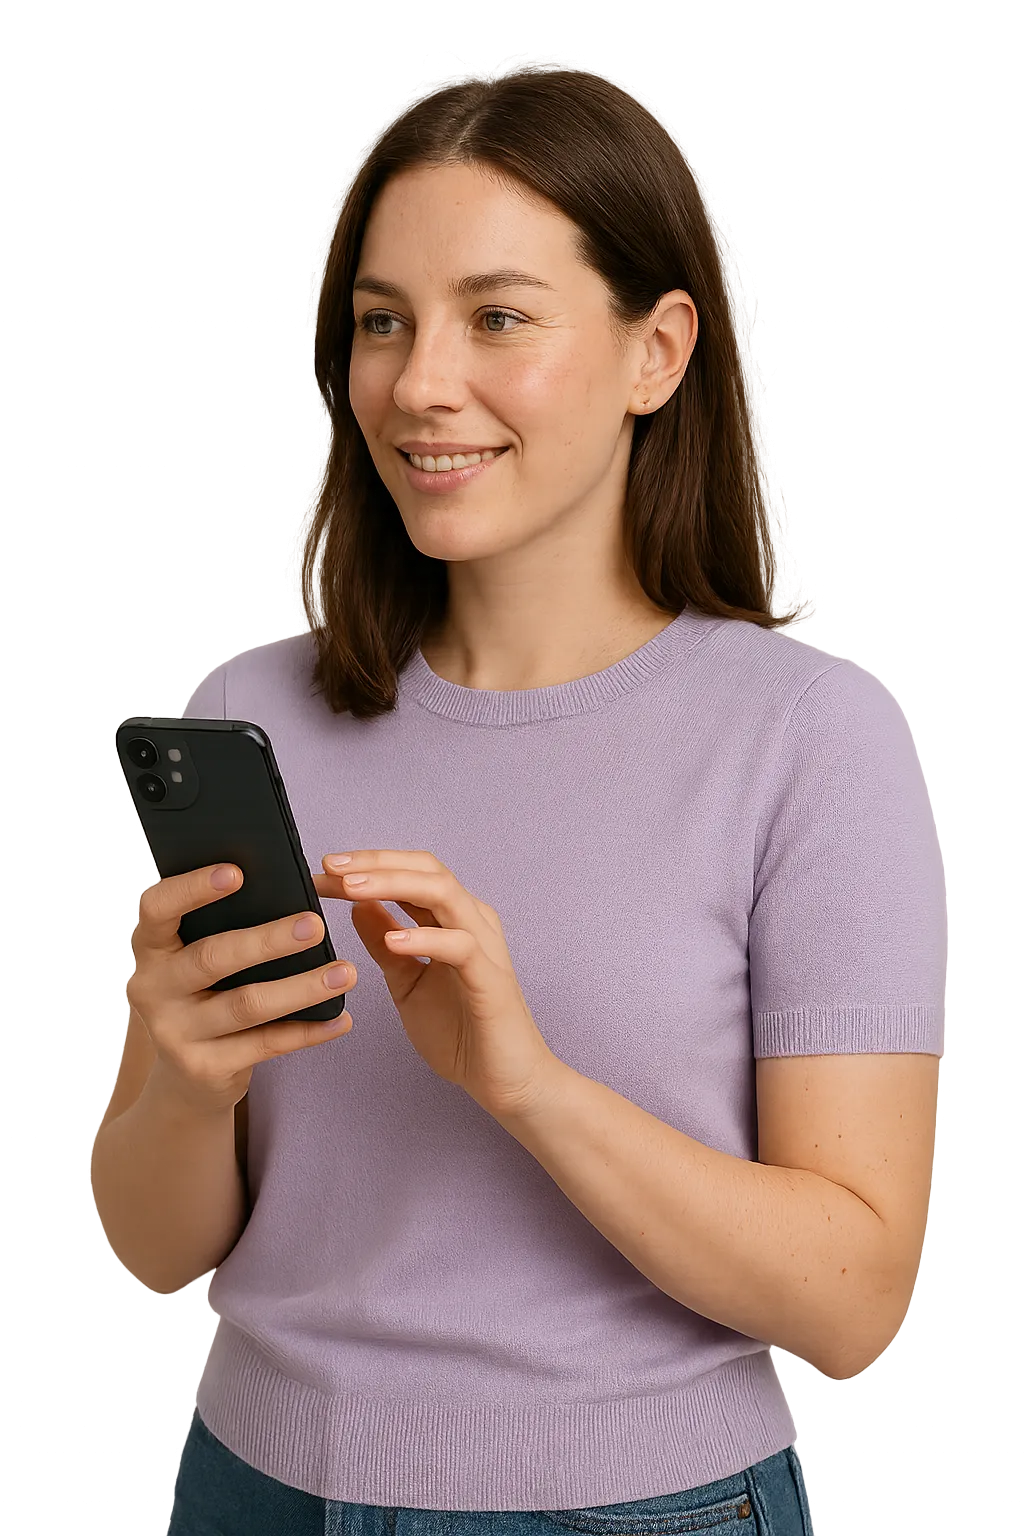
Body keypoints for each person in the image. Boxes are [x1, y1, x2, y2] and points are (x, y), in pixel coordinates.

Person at [89, 64, 946, 1536]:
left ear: (655, 352)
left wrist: (529, 1086)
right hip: (249, 1489)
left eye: (497, 317)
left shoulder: (807, 737)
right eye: (383, 321)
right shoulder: (252, 711)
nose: (420, 382)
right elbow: (157, 1252)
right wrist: (186, 1081)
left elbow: (853, 1304)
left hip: (631, 1510)